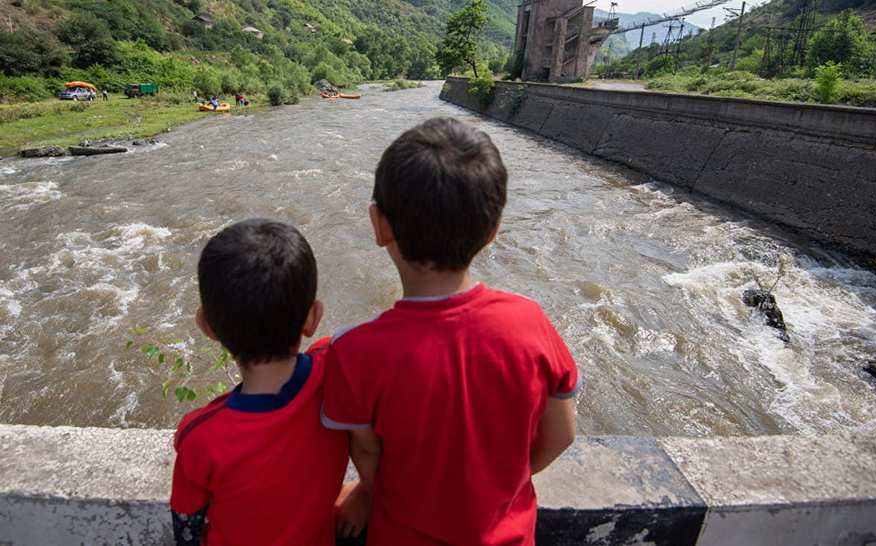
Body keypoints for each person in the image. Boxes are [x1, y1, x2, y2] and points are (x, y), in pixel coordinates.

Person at [322, 118, 579, 545]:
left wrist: (370, 493)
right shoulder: (530, 322)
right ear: (493, 231)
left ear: (378, 225)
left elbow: (367, 453)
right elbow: (562, 435)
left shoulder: (354, 351)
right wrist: (498, 485)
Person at [170, 219, 352, 546]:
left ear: (206, 326)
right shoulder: (337, 370)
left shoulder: (200, 438)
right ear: (313, 317)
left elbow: (187, 531)